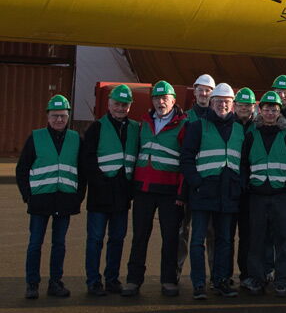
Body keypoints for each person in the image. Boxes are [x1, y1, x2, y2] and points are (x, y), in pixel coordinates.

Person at [180, 83, 245, 300]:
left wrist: (239, 185)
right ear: (211, 103)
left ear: (232, 104)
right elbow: (187, 157)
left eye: (226, 102)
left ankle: (220, 281)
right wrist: (196, 182)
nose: (222, 105)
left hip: (228, 193)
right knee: (197, 240)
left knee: (224, 240)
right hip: (203, 192)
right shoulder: (198, 126)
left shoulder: (239, 129)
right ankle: (199, 283)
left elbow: (243, 161)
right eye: (218, 101)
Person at [17, 95, 85, 299]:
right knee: (35, 243)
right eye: (55, 115)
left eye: (63, 115)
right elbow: (22, 169)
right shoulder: (35, 137)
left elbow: (83, 172)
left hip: (65, 201)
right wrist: (27, 196)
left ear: (68, 116)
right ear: (47, 116)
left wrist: (78, 197)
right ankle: (32, 284)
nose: (59, 119)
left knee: (59, 244)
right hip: (40, 201)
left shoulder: (76, 139)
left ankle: (55, 283)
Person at [124, 81, 187, 297]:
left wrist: (181, 193)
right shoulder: (143, 123)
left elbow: (186, 161)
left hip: (170, 192)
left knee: (170, 238)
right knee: (139, 236)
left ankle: (168, 280)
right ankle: (133, 280)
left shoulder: (183, 125)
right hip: (144, 190)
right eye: (157, 98)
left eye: (165, 99)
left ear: (173, 100)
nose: (161, 103)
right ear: (152, 101)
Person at [241, 91, 286, 296]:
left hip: (281, 196)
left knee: (283, 239)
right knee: (256, 239)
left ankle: (282, 280)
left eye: (274, 110)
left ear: (279, 112)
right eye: (267, 109)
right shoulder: (251, 135)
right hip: (257, 196)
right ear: (260, 111)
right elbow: (243, 164)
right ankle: (257, 278)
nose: (270, 113)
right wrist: (247, 185)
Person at [80, 84, 139, 296]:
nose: (120, 108)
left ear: (130, 106)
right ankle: (93, 281)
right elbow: (87, 160)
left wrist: (131, 189)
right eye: (117, 104)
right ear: (109, 104)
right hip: (100, 195)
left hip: (122, 196)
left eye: (125, 104)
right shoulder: (96, 128)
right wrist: (100, 182)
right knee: (95, 240)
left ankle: (112, 279)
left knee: (117, 239)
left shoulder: (135, 128)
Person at [178, 73, 217, 280]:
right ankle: (176, 272)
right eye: (200, 89)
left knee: (211, 232)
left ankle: (214, 275)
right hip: (185, 184)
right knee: (182, 231)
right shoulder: (184, 118)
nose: (203, 93)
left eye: (208, 90)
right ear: (194, 91)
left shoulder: (217, 119)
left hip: (208, 186)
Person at [232, 87, 265, 288]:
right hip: (229, 188)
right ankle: (223, 276)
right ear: (235, 106)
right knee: (226, 235)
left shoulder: (258, 127)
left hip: (251, 190)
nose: (244, 108)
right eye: (241, 105)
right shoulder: (228, 125)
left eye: (248, 105)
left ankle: (246, 274)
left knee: (249, 235)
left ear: (254, 107)